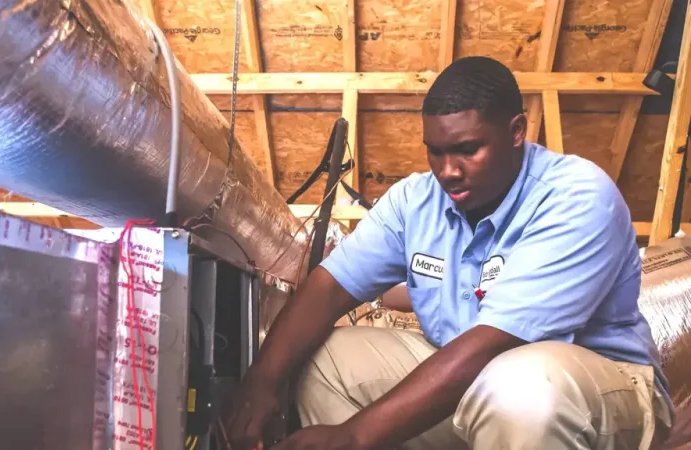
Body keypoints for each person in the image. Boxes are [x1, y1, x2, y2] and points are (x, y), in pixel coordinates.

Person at [221, 56, 674, 450]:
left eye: (467, 150)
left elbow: (493, 346)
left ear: (516, 131)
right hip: (476, 385)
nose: (448, 171)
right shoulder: (415, 200)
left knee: (520, 385)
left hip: (597, 393)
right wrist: (262, 381)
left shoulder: (575, 196)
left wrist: (354, 436)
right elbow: (327, 287)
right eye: (435, 152)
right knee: (325, 360)